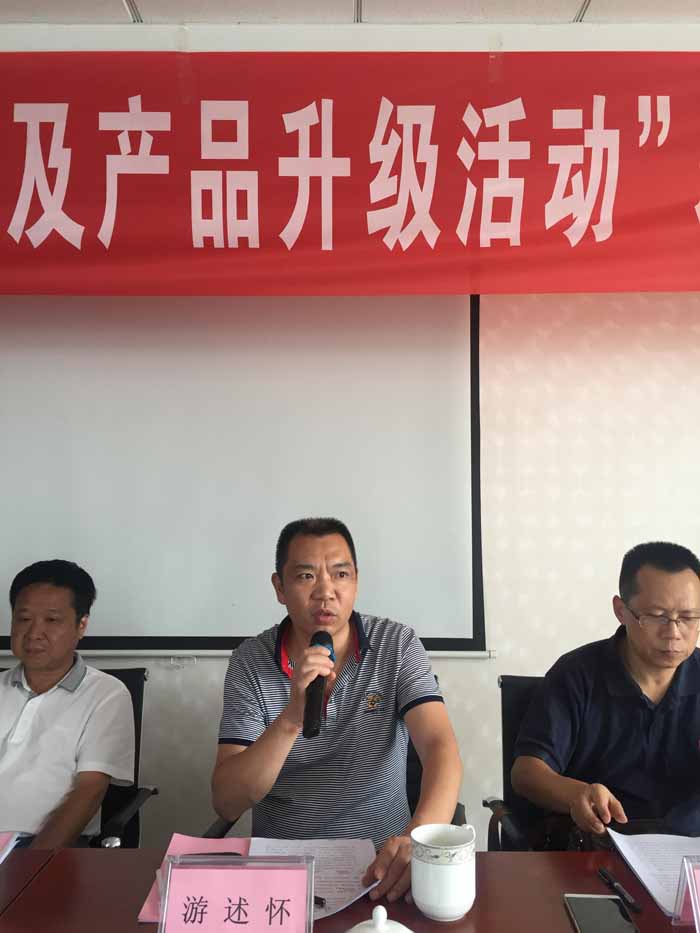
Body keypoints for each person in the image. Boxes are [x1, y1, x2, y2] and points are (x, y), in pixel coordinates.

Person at [212, 517, 462, 902]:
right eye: (306, 576)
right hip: (284, 874)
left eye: (341, 574)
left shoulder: (397, 644)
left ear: (356, 581)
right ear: (279, 587)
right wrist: (291, 719)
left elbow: (439, 748)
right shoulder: (251, 661)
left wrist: (417, 841)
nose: (325, 592)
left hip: (382, 869)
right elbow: (227, 801)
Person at [511, 541, 700, 840]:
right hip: (596, 844)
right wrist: (576, 793)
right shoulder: (577, 674)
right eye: (656, 616)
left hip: (687, 852)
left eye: (688, 618)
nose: (673, 632)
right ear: (621, 611)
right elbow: (527, 772)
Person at [0, 560, 135, 848]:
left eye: (51, 620)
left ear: (81, 625)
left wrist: (31, 864)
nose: (34, 633)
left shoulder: (106, 694)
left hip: (39, 849)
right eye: (23, 618)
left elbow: (88, 792)